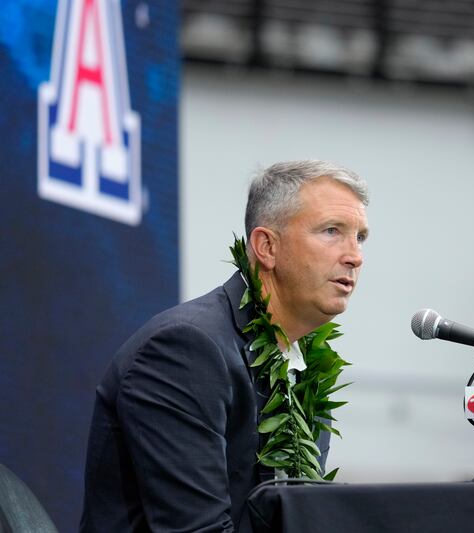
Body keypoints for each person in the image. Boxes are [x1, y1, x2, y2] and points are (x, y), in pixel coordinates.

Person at [79, 160, 369, 532]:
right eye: (332, 231)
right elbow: (197, 530)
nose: (355, 256)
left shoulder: (305, 368)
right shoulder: (186, 349)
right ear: (267, 247)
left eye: (360, 237)